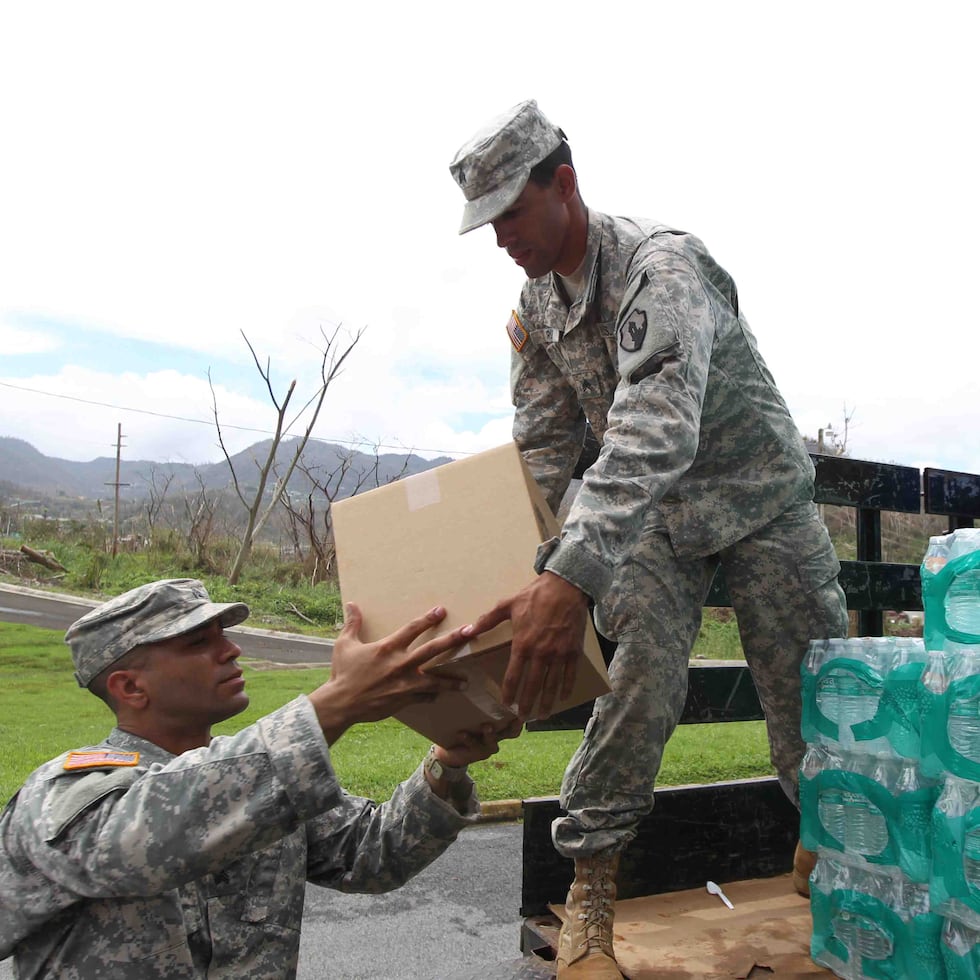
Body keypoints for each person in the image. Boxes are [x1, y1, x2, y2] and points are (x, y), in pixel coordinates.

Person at [449, 100, 849, 978]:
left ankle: (836, 850)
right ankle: (591, 889)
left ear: (564, 184)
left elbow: (652, 430)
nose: (501, 238)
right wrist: (524, 569)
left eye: (511, 211)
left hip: (757, 496)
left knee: (814, 684)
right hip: (655, 517)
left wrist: (571, 575)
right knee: (638, 678)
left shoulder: (660, 267)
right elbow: (548, 448)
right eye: (488, 223)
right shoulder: (533, 309)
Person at [0, 578, 517, 979]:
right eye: (198, 643)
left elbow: (370, 854)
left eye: (223, 635)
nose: (231, 651)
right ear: (130, 686)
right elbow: (145, 841)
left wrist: (448, 762)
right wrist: (335, 704)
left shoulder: (258, 784)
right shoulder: (62, 795)